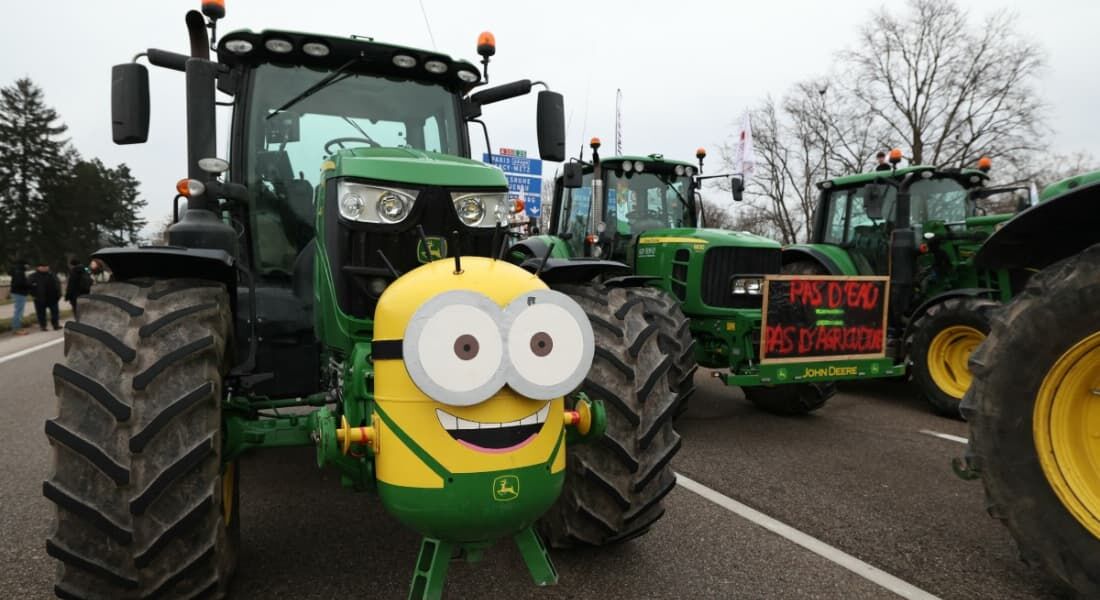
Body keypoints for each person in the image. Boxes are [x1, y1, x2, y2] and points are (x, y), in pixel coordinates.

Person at [28, 262, 62, 331]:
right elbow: (29, 286)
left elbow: (58, 284)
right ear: (38, 267)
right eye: (42, 266)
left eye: (46, 266)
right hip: (40, 298)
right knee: (41, 313)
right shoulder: (33, 276)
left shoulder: (52, 275)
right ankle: (43, 326)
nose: (45, 268)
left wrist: (59, 294)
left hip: (53, 297)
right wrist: (34, 295)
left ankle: (56, 325)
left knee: (55, 312)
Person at [7, 259, 30, 336]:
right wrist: (29, 284)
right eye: (27, 264)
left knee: (19, 311)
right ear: (24, 265)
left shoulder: (17, 271)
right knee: (19, 312)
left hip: (17, 293)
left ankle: (17, 327)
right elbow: (19, 283)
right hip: (19, 293)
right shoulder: (19, 272)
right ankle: (16, 329)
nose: (28, 266)